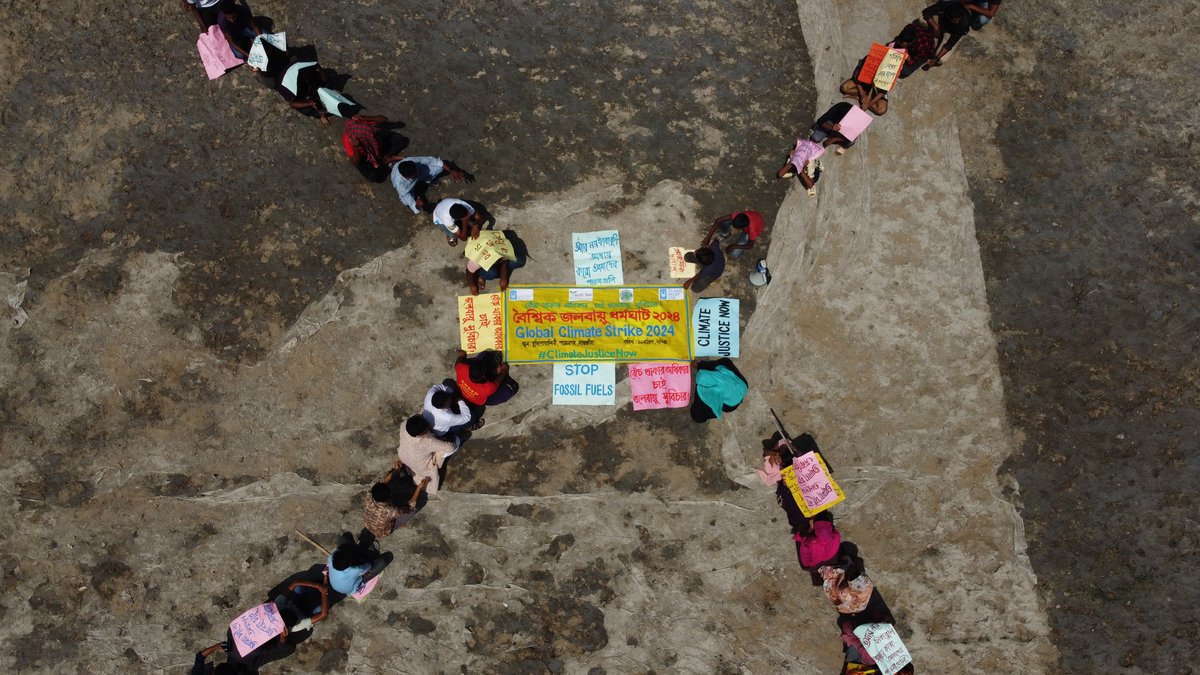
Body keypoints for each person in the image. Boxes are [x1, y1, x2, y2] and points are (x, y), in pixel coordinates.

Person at [363, 461, 430, 538]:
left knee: (393, 486)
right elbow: (410, 507)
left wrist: (396, 471)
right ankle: (397, 524)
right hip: (382, 532)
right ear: (388, 497)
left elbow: (382, 482)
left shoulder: (369, 495)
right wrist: (418, 489)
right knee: (415, 508)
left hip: (368, 524)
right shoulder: (391, 511)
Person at [395, 414, 460, 495]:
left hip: (404, 457)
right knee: (456, 441)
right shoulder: (427, 441)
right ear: (422, 433)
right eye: (427, 429)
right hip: (422, 467)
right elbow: (450, 447)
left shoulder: (404, 424)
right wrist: (449, 439)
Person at [390, 157, 473, 214]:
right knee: (406, 202)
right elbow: (415, 209)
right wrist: (417, 205)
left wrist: (452, 170)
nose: (417, 173)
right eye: (415, 174)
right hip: (408, 187)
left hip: (415, 175)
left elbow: (433, 160)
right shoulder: (401, 185)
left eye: (416, 170)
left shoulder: (411, 160)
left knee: (439, 168)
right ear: (407, 177)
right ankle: (421, 185)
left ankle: (428, 180)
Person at [342, 113, 406, 182]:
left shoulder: (362, 124)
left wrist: (364, 117)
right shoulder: (350, 142)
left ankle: (384, 157)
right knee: (372, 177)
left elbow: (384, 119)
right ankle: (388, 160)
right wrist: (356, 148)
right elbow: (355, 163)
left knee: (399, 139)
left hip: (376, 146)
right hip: (365, 157)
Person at [327, 531, 390, 596]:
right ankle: (366, 550)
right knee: (384, 559)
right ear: (350, 562)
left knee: (345, 536)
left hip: (335, 585)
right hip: (352, 587)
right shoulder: (356, 569)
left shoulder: (331, 557)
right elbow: (369, 565)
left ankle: (363, 548)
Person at [466, 230, 528, 294]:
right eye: (498, 260)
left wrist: (503, 278)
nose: (500, 261)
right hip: (482, 249)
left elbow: (505, 260)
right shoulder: (477, 260)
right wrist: (472, 286)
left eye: (499, 259)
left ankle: (500, 269)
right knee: (491, 274)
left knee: (519, 261)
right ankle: (481, 275)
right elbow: (468, 271)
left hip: (494, 242)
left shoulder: (501, 249)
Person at [454, 350, 519, 408]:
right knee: (512, 388)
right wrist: (504, 370)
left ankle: (493, 369)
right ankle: (496, 372)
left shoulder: (461, 369)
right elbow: (497, 381)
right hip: (479, 401)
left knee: (483, 356)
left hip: (463, 394)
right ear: (483, 376)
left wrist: (461, 355)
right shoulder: (488, 388)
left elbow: (457, 364)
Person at [690, 358, 747, 423]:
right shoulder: (702, 379)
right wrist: (698, 365)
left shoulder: (727, 407)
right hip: (739, 389)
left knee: (708, 402)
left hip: (743, 389)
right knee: (702, 383)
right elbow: (702, 376)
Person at [921, 1, 972, 68]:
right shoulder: (946, 5)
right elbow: (926, 12)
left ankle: (937, 40)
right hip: (941, 23)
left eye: (958, 19)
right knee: (921, 20)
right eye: (955, 20)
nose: (957, 22)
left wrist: (937, 58)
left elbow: (950, 44)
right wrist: (935, 27)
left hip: (951, 33)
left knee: (942, 59)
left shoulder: (964, 23)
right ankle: (936, 37)